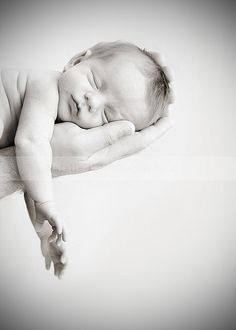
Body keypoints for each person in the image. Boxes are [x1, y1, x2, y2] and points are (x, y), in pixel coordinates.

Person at [0, 41, 174, 277]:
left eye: (107, 114)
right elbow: (30, 144)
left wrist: (43, 233)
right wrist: (46, 203)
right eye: (95, 82)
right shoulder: (46, 86)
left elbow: (32, 173)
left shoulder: (49, 129)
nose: (93, 101)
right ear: (77, 61)